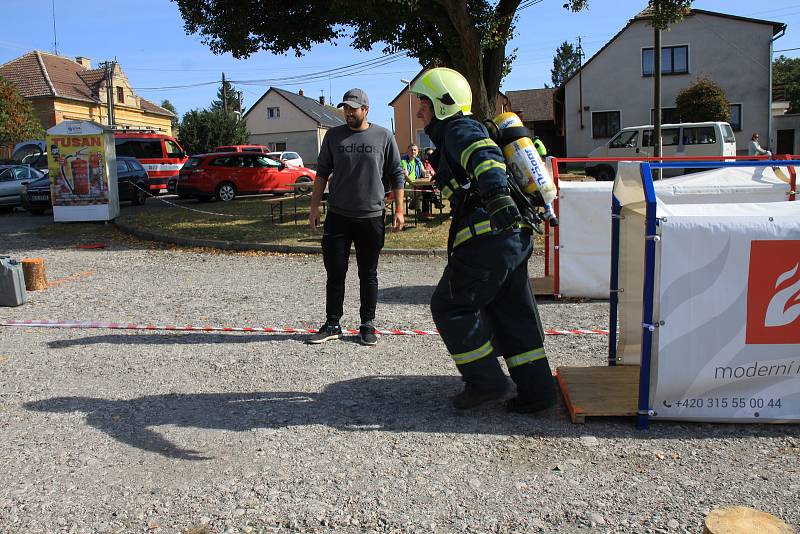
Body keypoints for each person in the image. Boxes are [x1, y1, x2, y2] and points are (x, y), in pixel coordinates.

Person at [409, 67, 557, 413]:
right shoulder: (452, 135)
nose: (419, 112)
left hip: (489, 238)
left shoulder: (460, 128)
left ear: (443, 105)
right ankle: (538, 394)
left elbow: (485, 158)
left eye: (424, 105)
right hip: (511, 238)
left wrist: (496, 196)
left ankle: (485, 381)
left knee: (451, 306)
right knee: (511, 312)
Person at [308, 88, 405, 346]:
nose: (348, 113)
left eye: (353, 108)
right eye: (346, 108)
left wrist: (399, 209)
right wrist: (314, 207)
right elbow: (321, 174)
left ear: (366, 110)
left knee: (368, 273)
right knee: (335, 273)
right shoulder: (333, 136)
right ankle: (332, 323)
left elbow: (397, 174)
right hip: (338, 216)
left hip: (371, 216)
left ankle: (367, 324)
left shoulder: (384, 136)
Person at [401, 144, 429, 217]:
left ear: (417, 152)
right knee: (419, 192)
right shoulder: (404, 161)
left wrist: (426, 174)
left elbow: (423, 172)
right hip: (405, 185)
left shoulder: (418, 161)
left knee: (428, 189)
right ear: (407, 151)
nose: (413, 151)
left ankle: (414, 205)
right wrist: (414, 184)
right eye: (411, 150)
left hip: (416, 184)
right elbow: (405, 176)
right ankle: (419, 213)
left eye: (415, 150)